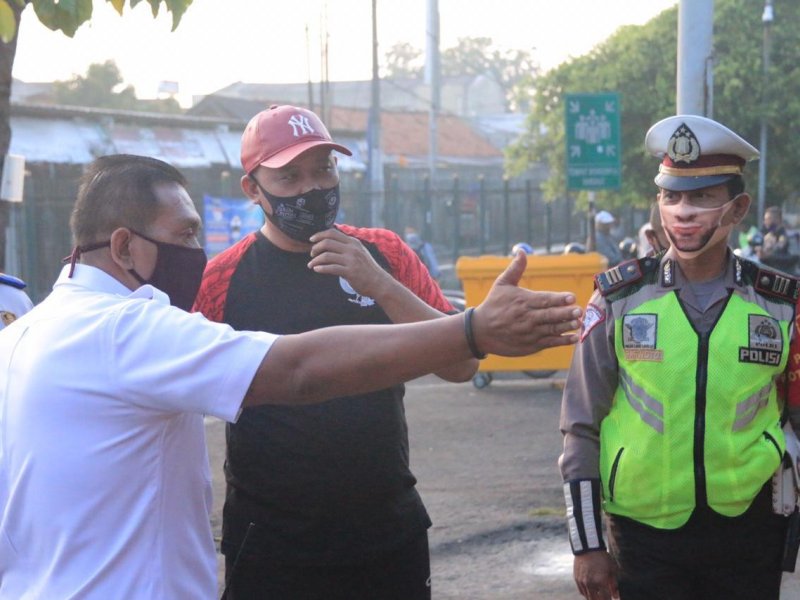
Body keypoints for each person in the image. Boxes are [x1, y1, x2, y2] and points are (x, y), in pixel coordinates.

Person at [0, 154, 584, 600]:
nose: (195, 251)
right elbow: (297, 369)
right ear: (125, 246)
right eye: (183, 236)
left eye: (323, 169)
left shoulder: (20, 337)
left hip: (382, 528)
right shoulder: (127, 328)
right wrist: (471, 330)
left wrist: (394, 292)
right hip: (244, 551)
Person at [193, 104, 480, 599]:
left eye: (324, 169)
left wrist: (379, 284)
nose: (311, 188)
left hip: (386, 529)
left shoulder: (384, 252)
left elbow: (461, 364)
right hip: (272, 541)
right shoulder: (221, 280)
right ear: (252, 189)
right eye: (290, 176)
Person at [559, 114, 800, 600]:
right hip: (643, 536)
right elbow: (580, 423)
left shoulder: (779, 304)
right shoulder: (619, 298)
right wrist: (586, 545)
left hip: (750, 531)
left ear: (738, 209)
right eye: (672, 196)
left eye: (703, 197)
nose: (684, 212)